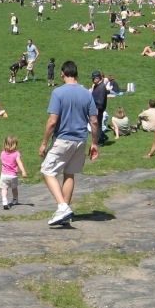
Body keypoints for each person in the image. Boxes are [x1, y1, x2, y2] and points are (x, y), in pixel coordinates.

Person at [39, 61, 99, 226]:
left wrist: (44, 142)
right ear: (77, 74)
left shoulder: (58, 92)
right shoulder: (87, 93)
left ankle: (62, 206)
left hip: (63, 139)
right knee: (69, 173)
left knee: (47, 170)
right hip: (80, 140)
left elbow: (52, 121)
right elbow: (94, 121)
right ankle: (64, 215)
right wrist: (95, 143)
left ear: (62, 74)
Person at [0, 135, 29, 209]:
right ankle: (15, 199)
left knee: (4, 188)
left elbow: (2, 162)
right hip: (13, 175)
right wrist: (23, 171)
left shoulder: (2, 153)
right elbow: (19, 163)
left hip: (4, 175)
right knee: (14, 188)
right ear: (15, 145)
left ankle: (4, 201)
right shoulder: (16, 154)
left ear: (5, 144)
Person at [90, 70, 109, 144]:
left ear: (97, 78)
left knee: (98, 125)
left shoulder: (101, 87)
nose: (92, 80)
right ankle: (102, 136)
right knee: (97, 125)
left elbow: (100, 101)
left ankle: (101, 140)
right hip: (96, 109)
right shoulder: (97, 86)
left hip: (98, 109)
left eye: (93, 78)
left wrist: (97, 108)